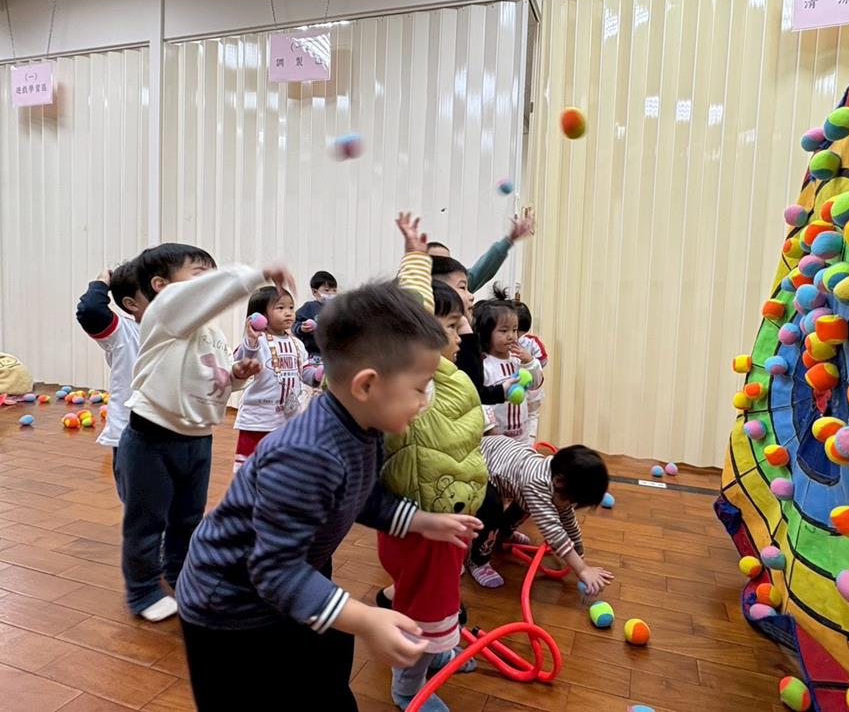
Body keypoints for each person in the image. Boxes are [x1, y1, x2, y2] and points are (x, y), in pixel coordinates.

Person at [175, 280, 481, 711]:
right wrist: (367, 619)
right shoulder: (308, 454)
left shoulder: (364, 426)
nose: (425, 401)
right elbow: (274, 570)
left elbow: (363, 496)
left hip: (293, 578)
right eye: (420, 387)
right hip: (229, 607)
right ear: (367, 385)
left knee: (327, 675)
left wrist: (422, 521)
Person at [117, 243, 292, 621]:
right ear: (162, 285)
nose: (210, 281)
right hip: (152, 438)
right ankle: (142, 590)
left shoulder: (210, 331)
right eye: (200, 273)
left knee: (187, 519)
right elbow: (211, 291)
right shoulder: (164, 312)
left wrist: (235, 376)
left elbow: (213, 379)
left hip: (198, 438)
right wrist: (257, 273)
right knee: (146, 523)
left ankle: (179, 573)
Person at [374, 214, 489, 712]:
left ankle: (441, 646)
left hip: (450, 519)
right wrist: (416, 261)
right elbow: (409, 313)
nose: (464, 333)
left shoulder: (451, 377)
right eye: (451, 326)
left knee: (441, 604)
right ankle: (407, 687)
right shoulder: (415, 375)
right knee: (424, 610)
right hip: (421, 524)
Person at [467, 436, 614, 592]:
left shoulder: (558, 480)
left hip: (500, 458)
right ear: (558, 481)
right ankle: (478, 561)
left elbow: (567, 518)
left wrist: (580, 555)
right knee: (492, 508)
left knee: (528, 504)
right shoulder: (536, 483)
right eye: (571, 501)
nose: (571, 506)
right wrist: (582, 569)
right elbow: (553, 532)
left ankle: (503, 534)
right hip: (480, 467)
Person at [75, 259, 149, 501]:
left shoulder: (182, 331)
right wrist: (101, 282)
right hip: (133, 433)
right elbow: (91, 310)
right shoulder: (123, 332)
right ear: (131, 303)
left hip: (177, 433)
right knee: (141, 505)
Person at [232, 286, 324, 473]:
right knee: (249, 468)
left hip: (288, 419)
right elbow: (240, 360)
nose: (288, 313)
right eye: (280, 308)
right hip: (258, 419)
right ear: (260, 315)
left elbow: (304, 371)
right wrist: (251, 340)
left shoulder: (297, 343)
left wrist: (317, 375)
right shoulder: (256, 341)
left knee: (282, 466)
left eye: (291, 307)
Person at [473, 287, 543, 445]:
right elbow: (480, 402)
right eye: (503, 331)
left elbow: (535, 385)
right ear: (486, 334)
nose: (511, 336)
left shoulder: (518, 360)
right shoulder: (484, 365)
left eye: (514, 329)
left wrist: (530, 362)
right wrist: (490, 430)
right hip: (494, 439)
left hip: (521, 436)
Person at [427, 213, 535, 293]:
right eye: (437, 264)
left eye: (447, 264)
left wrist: (509, 240)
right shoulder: (418, 297)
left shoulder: (457, 288)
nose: (443, 269)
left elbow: (483, 268)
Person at [515, 298, 549, 444]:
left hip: (531, 391)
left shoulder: (532, 342)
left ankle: (529, 444)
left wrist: (531, 364)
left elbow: (543, 359)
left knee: (532, 415)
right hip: (516, 389)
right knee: (524, 416)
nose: (515, 335)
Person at [294, 270, 337, 357]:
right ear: (315, 292)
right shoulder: (309, 307)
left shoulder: (338, 308)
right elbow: (294, 322)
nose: (331, 293)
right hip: (313, 354)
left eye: (334, 290)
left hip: (333, 354)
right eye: (327, 290)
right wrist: (301, 328)